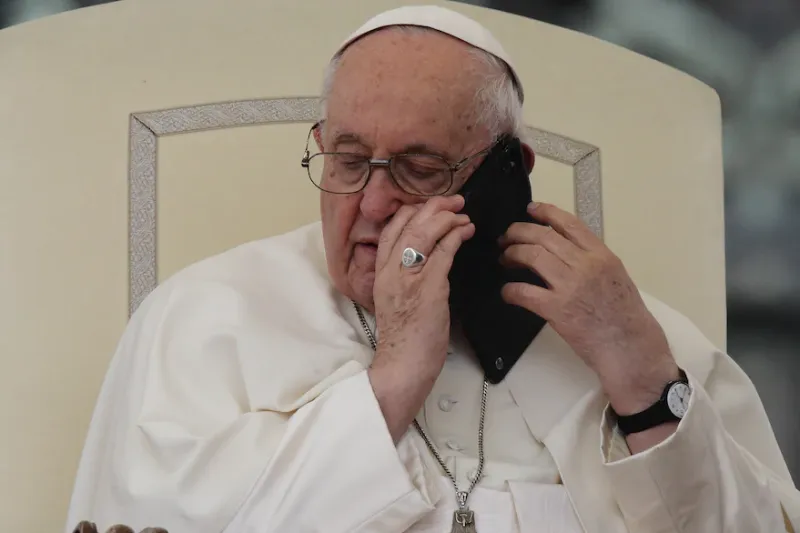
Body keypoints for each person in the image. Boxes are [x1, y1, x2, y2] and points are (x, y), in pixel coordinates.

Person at [65, 5, 799, 533]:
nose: (375, 203)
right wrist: (387, 386)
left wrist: (645, 386)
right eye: (349, 161)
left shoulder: (634, 334)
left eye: (419, 169)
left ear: (507, 172)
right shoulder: (205, 316)